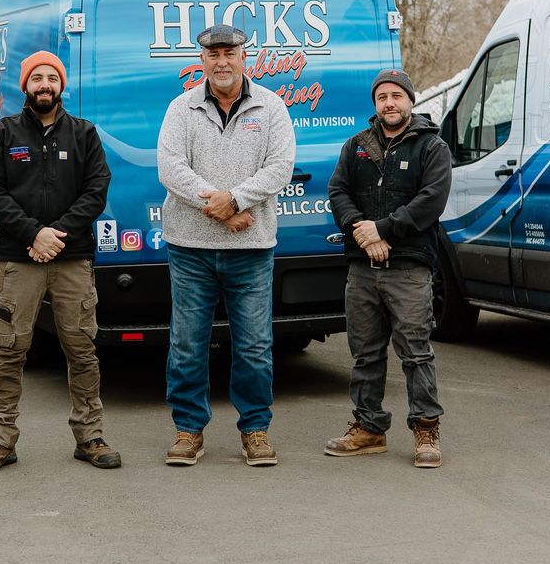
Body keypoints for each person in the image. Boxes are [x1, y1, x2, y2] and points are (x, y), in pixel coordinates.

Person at [0, 50, 120, 474]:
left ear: (61, 85)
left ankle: (90, 436)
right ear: (25, 85)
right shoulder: (2, 133)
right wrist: (33, 234)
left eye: (51, 78)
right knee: (10, 350)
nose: (44, 85)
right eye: (36, 77)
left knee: (81, 349)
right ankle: (0, 439)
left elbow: (96, 190)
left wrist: (55, 237)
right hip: (19, 259)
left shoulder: (84, 134)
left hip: (72, 260)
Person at [156, 24, 296, 467]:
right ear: (202, 60)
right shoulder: (181, 108)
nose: (221, 61)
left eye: (229, 53)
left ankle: (255, 430)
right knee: (187, 344)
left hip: (252, 249)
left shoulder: (271, 107)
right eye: (213, 54)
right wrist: (218, 208)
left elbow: (280, 168)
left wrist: (234, 200)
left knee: (254, 345)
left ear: (243, 57)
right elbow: (171, 168)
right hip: (189, 248)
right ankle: (188, 431)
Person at [325, 68, 452, 468]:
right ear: (375, 104)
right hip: (362, 269)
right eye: (382, 97)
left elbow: (431, 201)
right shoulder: (356, 146)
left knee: (415, 353)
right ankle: (369, 428)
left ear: (410, 101)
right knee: (364, 353)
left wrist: (381, 230)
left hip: (409, 268)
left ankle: (426, 430)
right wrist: (360, 232)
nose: (389, 103)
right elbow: (338, 191)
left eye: (397, 95)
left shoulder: (431, 148)